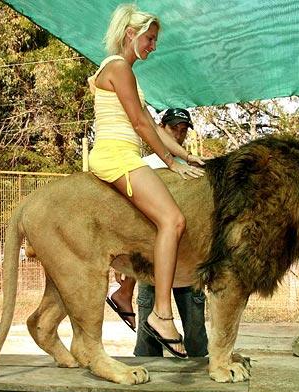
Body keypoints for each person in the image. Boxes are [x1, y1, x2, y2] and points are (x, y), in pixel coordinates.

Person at [87, 4, 205, 359]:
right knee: (173, 220)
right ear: (131, 34)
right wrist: (170, 162)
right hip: (116, 156)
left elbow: (153, 125)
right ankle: (161, 315)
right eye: (150, 39)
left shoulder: (126, 72)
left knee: (167, 221)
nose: (153, 46)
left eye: (154, 40)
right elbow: (140, 124)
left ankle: (131, 299)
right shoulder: (118, 67)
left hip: (127, 156)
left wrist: (186, 157)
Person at [107, 108, 209, 357]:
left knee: (196, 333)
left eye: (183, 130)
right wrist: (123, 259)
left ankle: (199, 370)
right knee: (148, 337)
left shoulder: (192, 168)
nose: (179, 134)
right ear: (161, 128)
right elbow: (129, 217)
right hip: (151, 259)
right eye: (174, 128)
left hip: (187, 257)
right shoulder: (143, 166)